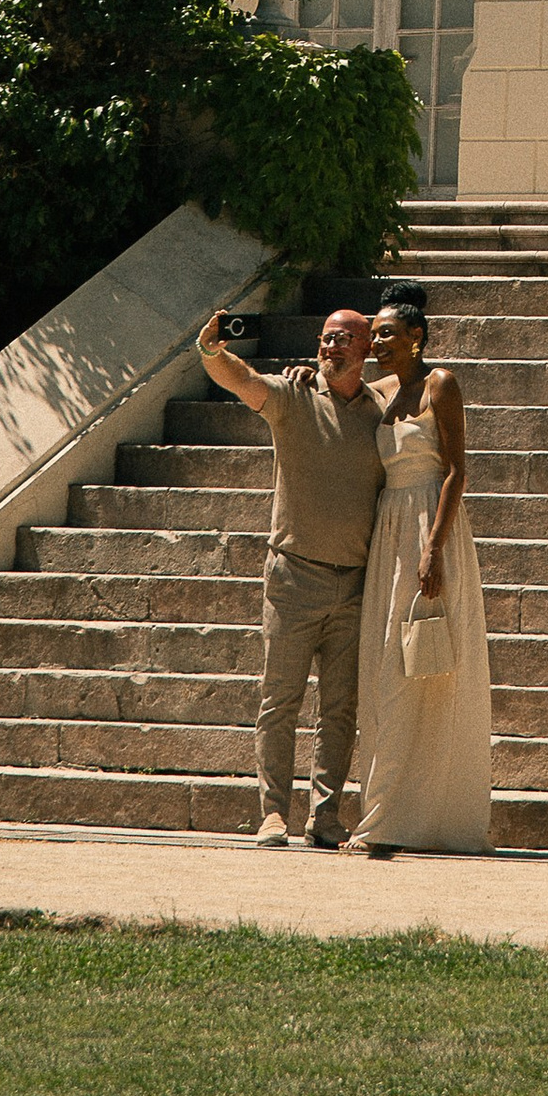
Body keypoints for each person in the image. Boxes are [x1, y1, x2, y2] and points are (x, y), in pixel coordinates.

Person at [195, 301, 380, 847]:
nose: (330, 347)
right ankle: (273, 813)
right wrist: (211, 350)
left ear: (366, 349)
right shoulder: (294, 396)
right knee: (280, 702)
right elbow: (245, 380)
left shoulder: (381, 410)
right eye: (325, 338)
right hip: (293, 577)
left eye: (344, 339)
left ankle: (325, 817)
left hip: (355, 583)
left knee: (340, 711)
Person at [348, 284, 494, 855]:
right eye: (374, 333)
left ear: (417, 337)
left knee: (426, 671)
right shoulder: (381, 391)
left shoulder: (441, 385)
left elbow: (457, 469)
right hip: (389, 527)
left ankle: (427, 817)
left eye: (387, 333)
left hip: (432, 527)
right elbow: (333, 391)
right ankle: (384, 811)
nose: (377, 342)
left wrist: (433, 547)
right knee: (386, 665)